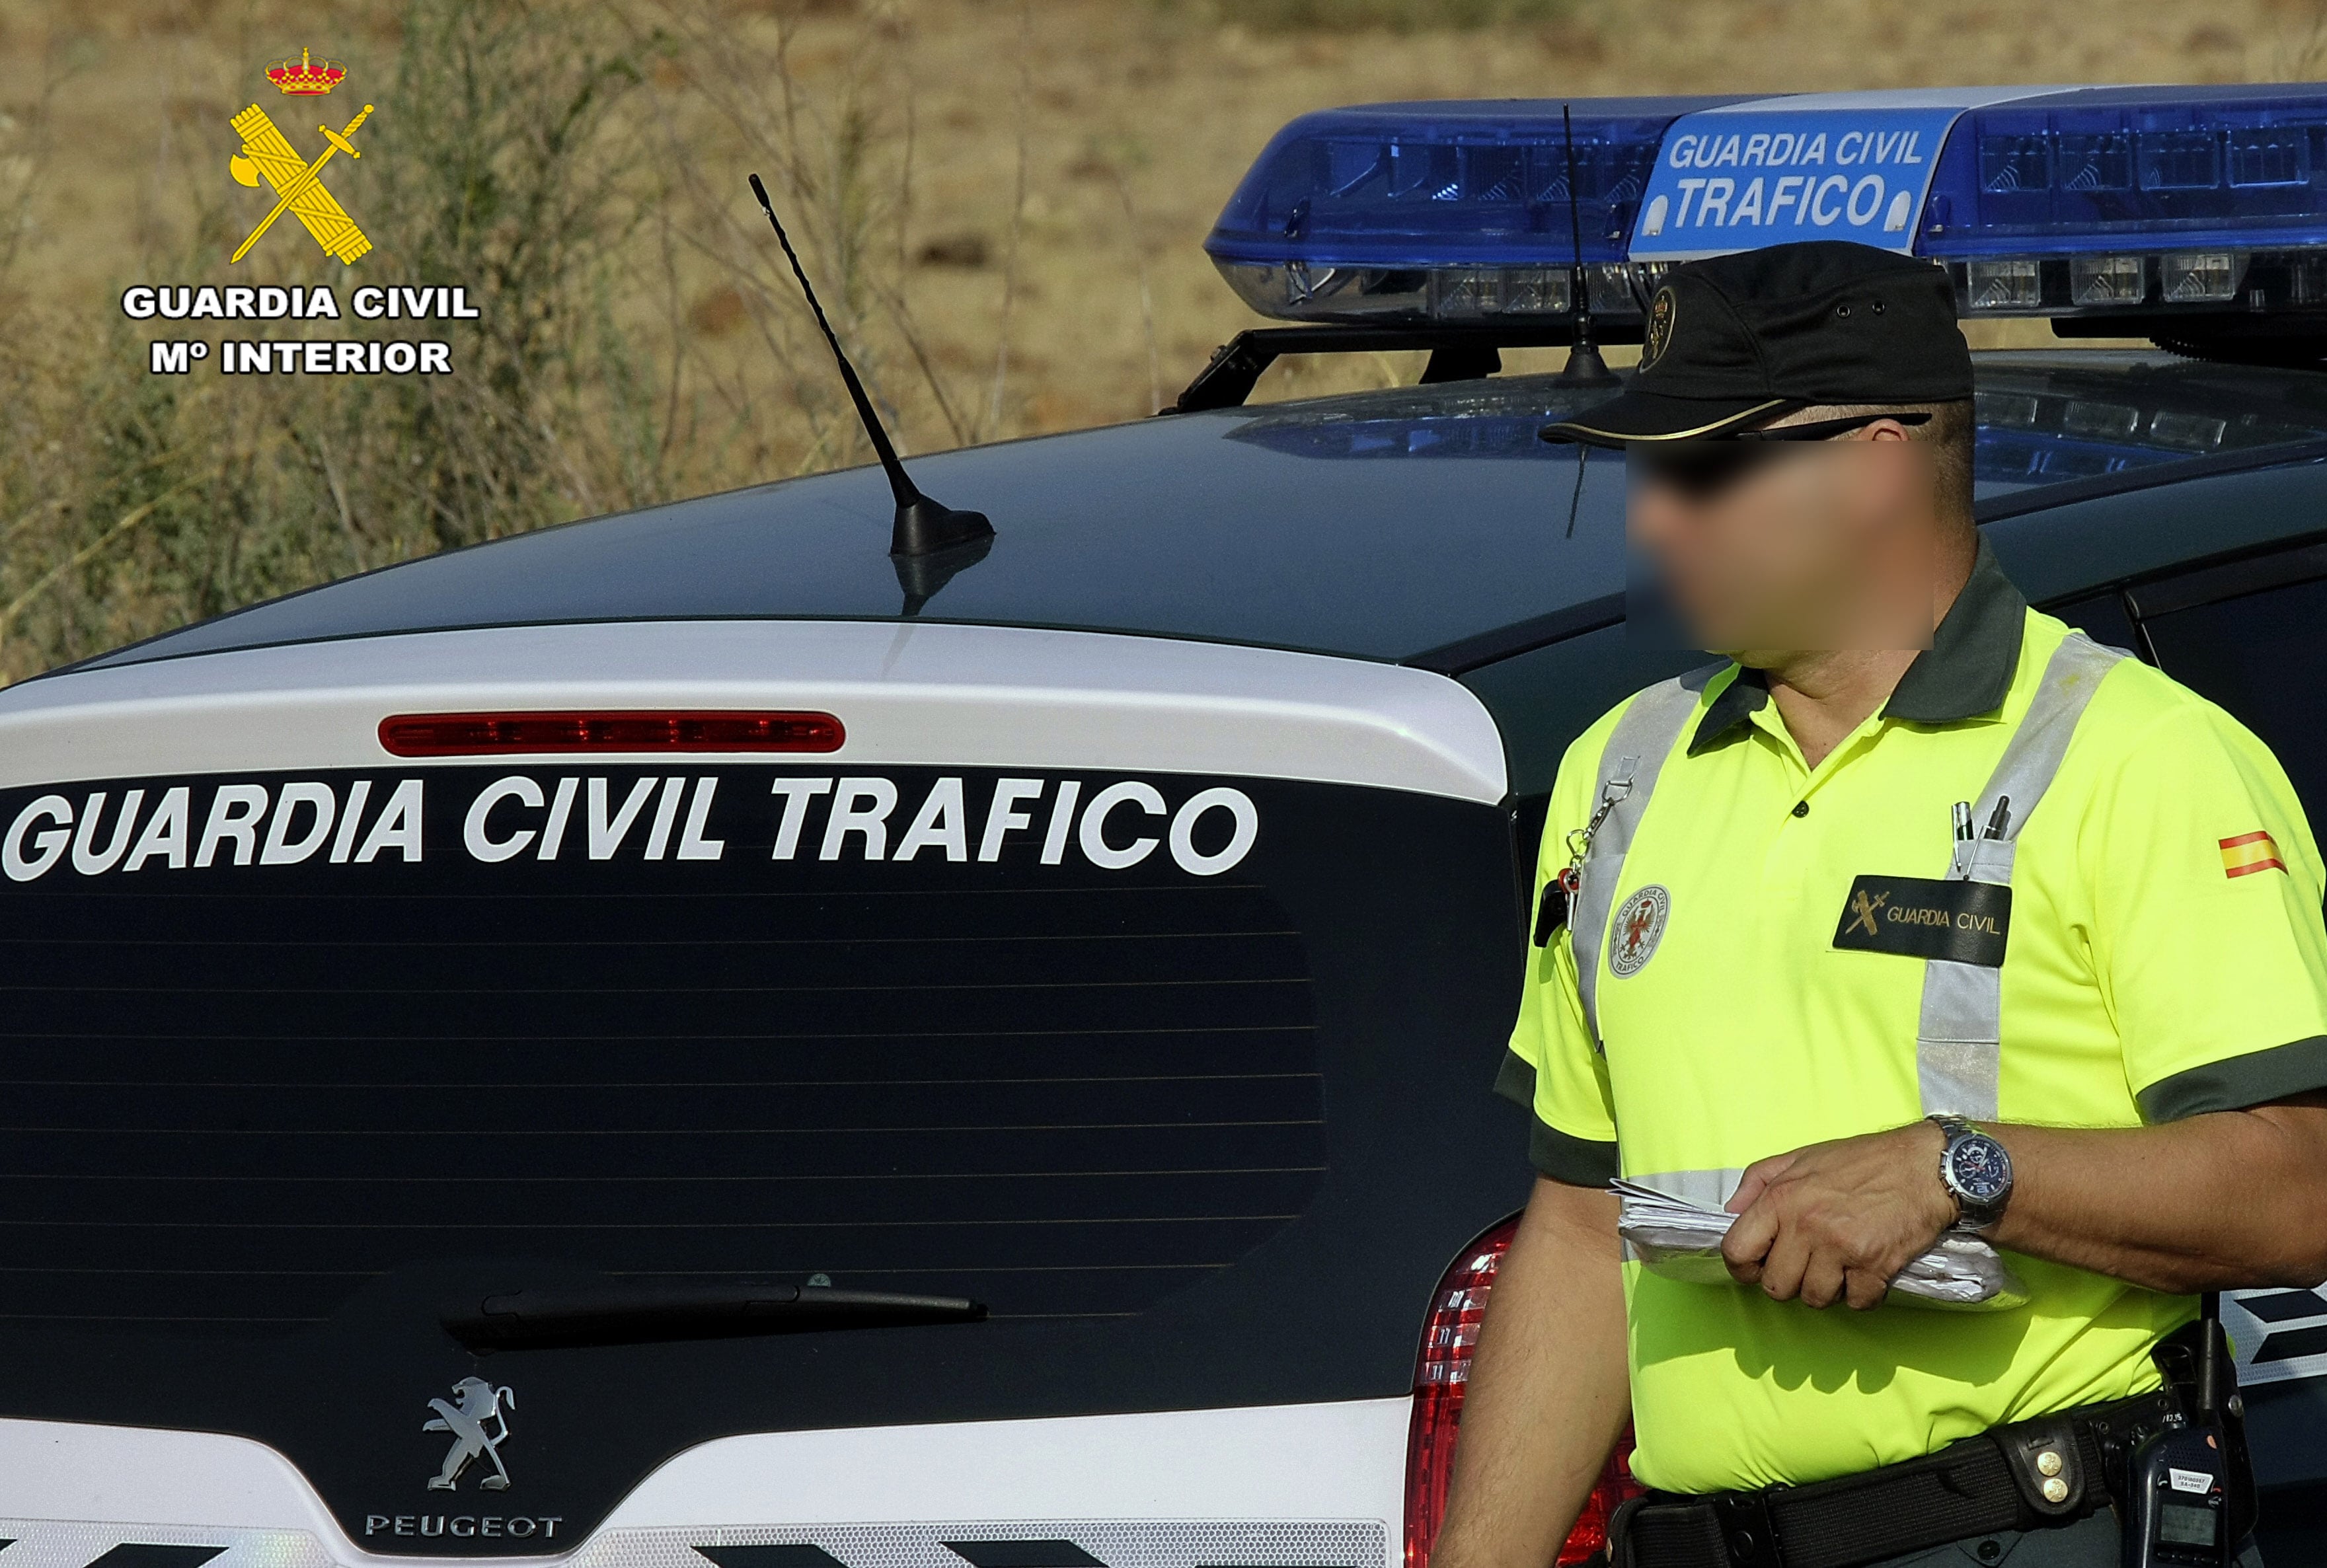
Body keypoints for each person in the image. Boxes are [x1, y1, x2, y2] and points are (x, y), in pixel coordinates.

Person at [1430, 241, 2327, 1568]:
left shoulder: (2140, 758)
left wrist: (1962, 1172)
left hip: (2025, 1531)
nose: (1654, 521)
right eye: (1647, 472)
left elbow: (2303, 1187)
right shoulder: (1618, 772)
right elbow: (1576, 1224)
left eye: (1705, 468)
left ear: (1879, 458)